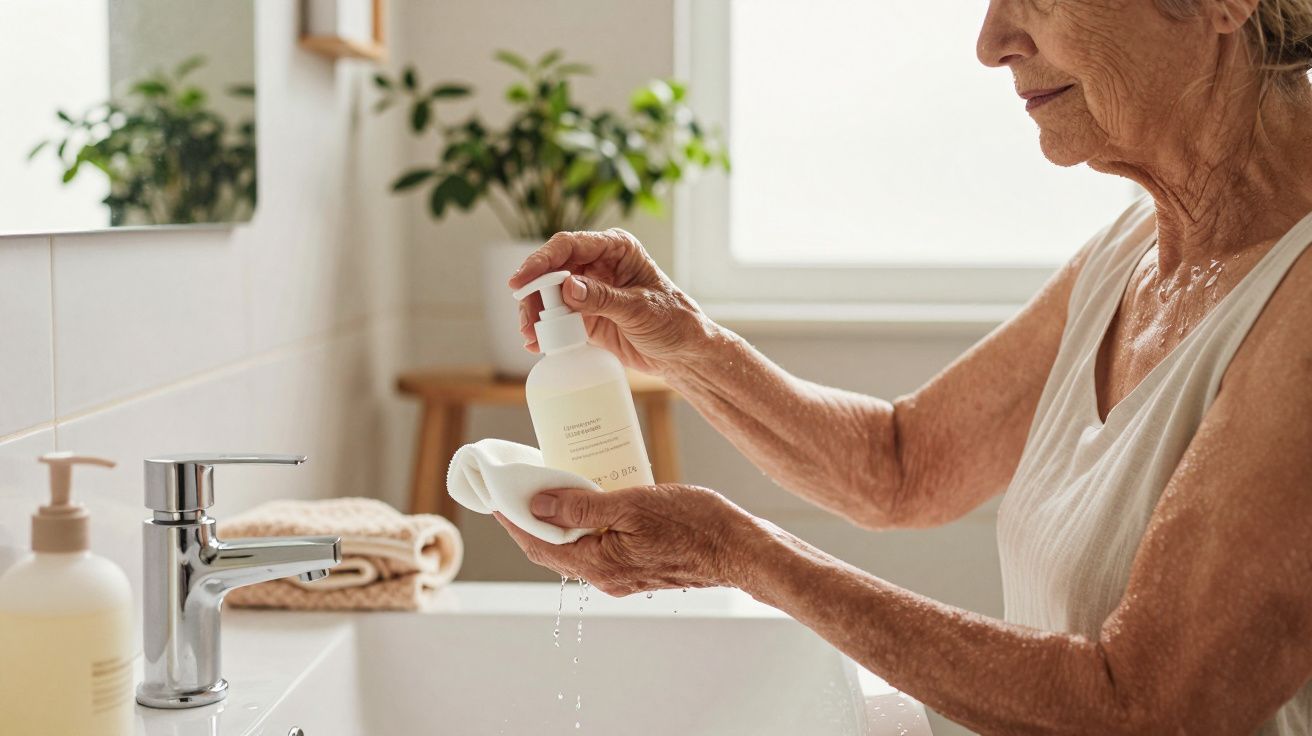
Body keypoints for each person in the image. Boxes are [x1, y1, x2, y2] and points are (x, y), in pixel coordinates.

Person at [500, 1, 1312, 732]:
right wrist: (684, 341)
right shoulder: (1138, 248)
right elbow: (903, 466)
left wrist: (736, 552)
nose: (991, 42)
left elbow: (1144, 707)